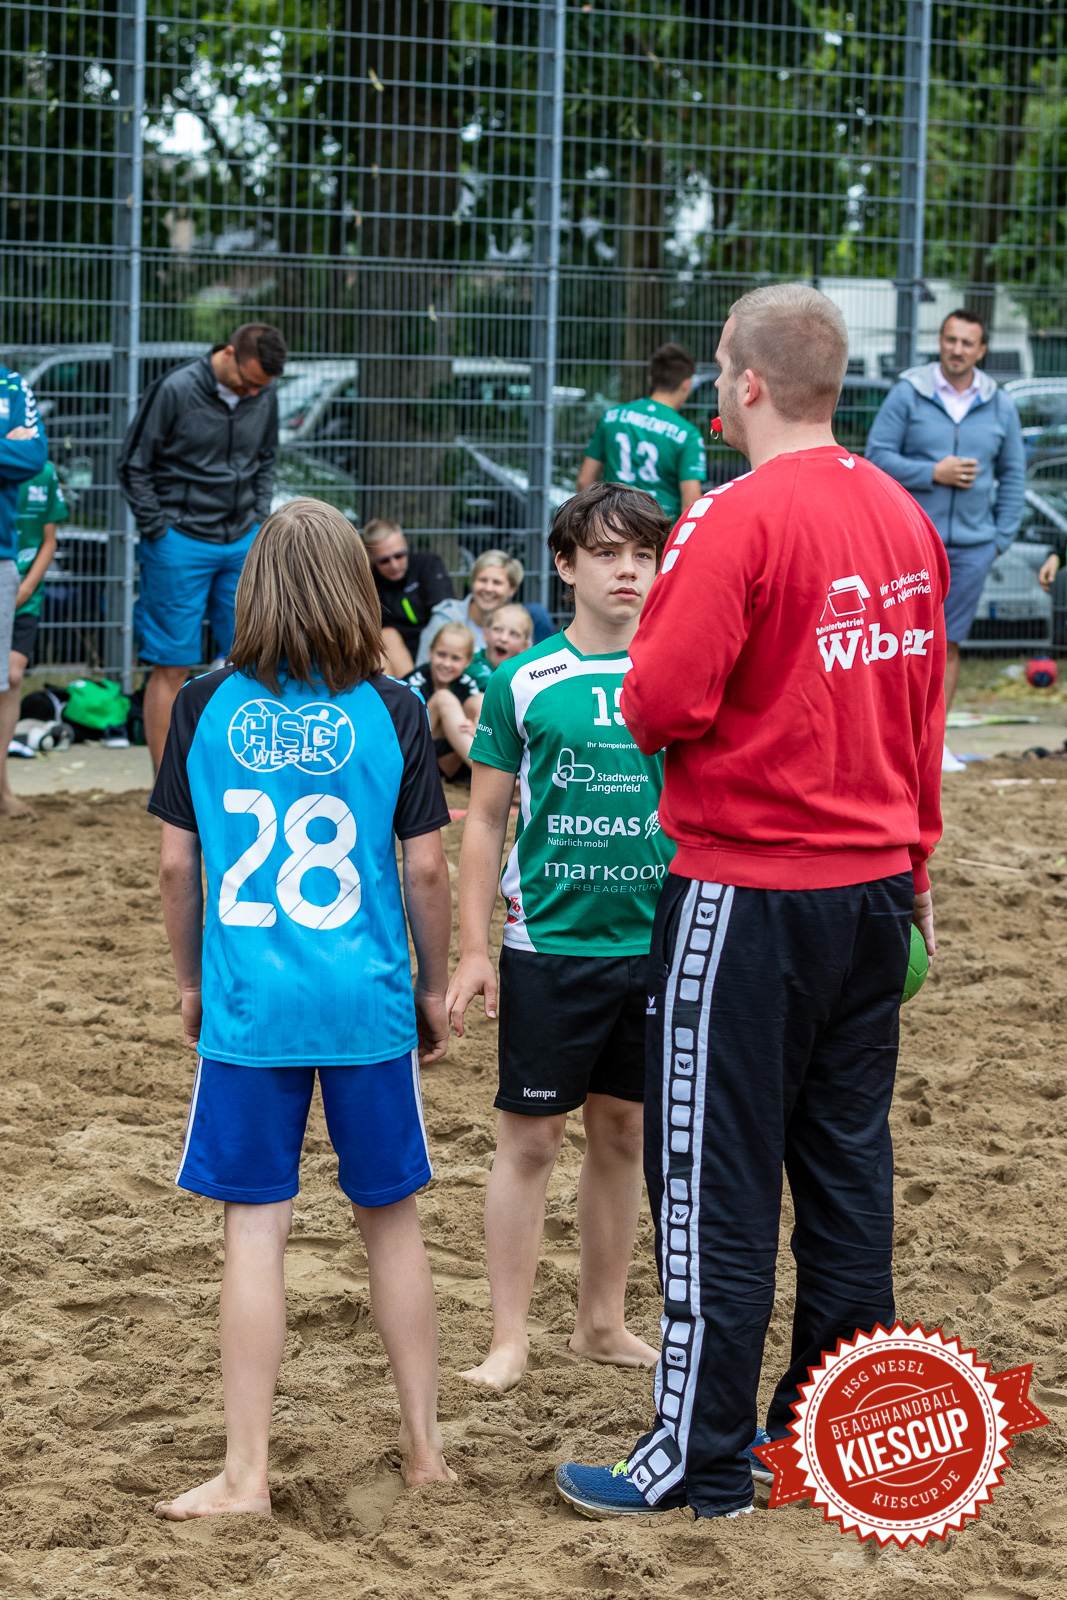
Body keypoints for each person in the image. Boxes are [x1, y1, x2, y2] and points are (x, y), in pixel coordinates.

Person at [555, 284, 947, 1522]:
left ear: (745, 385)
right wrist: (917, 877)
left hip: (750, 887)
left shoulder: (729, 517)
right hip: (877, 886)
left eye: (721, 364)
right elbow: (922, 715)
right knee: (842, 1169)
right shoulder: (902, 514)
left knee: (711, 1172)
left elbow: (656, 700)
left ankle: (701, 1456)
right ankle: (829, 1432)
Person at [148, 498, 455, 1519]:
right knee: (392, 1222)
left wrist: (191, 982)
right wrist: (428, 984)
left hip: (251, 1006)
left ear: (254, 587)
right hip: (363, 1002)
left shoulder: (201, 706)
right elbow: (424, 873)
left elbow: (175, 867)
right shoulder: (395, 709)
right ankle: (422, 1450)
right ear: (356, 588)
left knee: (254, 1231)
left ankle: (245, 1470)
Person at [446, 483, 674, 1393]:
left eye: (644, 554)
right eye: (608, 554)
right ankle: (508, 1338)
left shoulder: (681, 669)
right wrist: (472, 949)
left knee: (621, 1131)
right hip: (549, 946)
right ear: (566, 566)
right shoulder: (522, 678)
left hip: (657, 943)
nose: (628, 570)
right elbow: (482, 822)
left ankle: (601, 1323)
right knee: (530, 1140)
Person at [118, 323, 288, 771]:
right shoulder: (175, 389)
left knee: (255, 657)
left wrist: (258, 514)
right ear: (229, 353)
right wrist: (159, 528)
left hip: (241, 539)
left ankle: (247, 767)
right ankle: (166, 783)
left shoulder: (263, 393)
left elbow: (267, 457)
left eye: (262, 387)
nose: (254, 393)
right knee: (171, 664)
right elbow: (133, 464)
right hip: (179, 541)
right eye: (249, 383)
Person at [866, 309, 1025, 774]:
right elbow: (876, 457)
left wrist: (999, 538)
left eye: (967, 343)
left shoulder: (1001, 406)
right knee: (897, 642)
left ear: (981, 350)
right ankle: (892, 743)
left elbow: (1014, 475)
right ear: (940, 342)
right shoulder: (907, 395)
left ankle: (934, 746)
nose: (957, 349)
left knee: (948, 645)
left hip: (973, 549)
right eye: (950, 339)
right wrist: (931, 473)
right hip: (911, 542)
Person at [0, 461, 67, 819]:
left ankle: (2, 788)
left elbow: (48, 540)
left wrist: (23, 589)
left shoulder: (41, 470)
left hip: (24, 594)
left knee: (12, 676)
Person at [576, 343, 707, 521]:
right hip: (659, 530)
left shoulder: (612, 417)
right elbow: (690, 502)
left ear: (650, 379)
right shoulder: (687, 434)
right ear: (687, 384)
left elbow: (584, 481)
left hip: (616, 524)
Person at [0, 370, 49, 822]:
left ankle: (1, 790)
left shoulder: (12, 385)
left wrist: (18, 448)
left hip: (2, 557)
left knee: (4, 681)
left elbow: (33, 456)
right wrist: (4, 443)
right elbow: (15, 455)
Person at [417, 549, 554, 662]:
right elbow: (423, 669)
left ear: (512, 589)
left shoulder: (518, 624)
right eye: (482, 580)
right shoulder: (446, 618)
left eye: (497, 583)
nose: (488, 588)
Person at [363, 519, 455, 678]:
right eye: (384, 560)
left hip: (433, 650)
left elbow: (444, 613)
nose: (394, 565)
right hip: (391, 654)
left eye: (399, 555)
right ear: (371, 557)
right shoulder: (368, 582)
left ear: (404, 544)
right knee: (386, 636)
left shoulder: (427, 565)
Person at [405, 622, 483, 777]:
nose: (447, 663)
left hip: (450, 758)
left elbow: (477, 706)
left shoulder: (466, 683)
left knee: (480, 699)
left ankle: (495, 769)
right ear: (431, 652)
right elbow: (405, 730)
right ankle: (487, 775)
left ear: (467, 661)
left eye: (455, 658)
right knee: (443, 698)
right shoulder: (415, 681)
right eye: (441, 654)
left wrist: (478, 725)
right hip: (416, 753)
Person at [467, 602, 534, 690]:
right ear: (485, 634)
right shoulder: (469, 662)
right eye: (497, 629)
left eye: (514, 634)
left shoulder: (527, 675)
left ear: (525, 647)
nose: (503, 638)